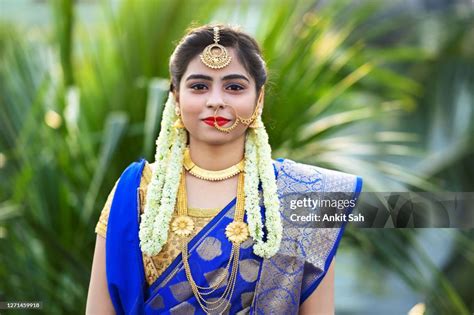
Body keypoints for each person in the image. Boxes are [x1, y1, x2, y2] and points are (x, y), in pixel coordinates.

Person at [86, 24, 362, 315]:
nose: (216, 101)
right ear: (176, 98)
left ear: (259, 99)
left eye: (234, 87)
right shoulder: (138, 190)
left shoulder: (303, 193)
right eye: (199, 86)